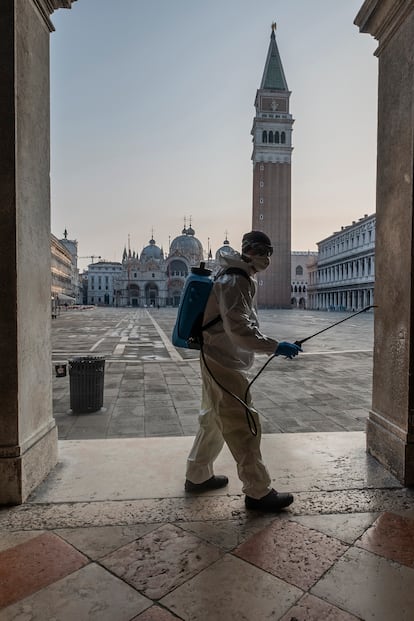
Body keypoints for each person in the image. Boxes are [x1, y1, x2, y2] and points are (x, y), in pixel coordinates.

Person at [185, 230, 301, 512]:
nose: (267, 258)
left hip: (217, 356)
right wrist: (275, 346)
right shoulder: (235, 280)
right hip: (223, 360)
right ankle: (258, 492)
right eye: (262, 251)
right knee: (243, 423)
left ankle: (197, 475)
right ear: (247, 250)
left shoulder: (236, 276)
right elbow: (239, 331)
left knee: (212, 418)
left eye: (269, 252)